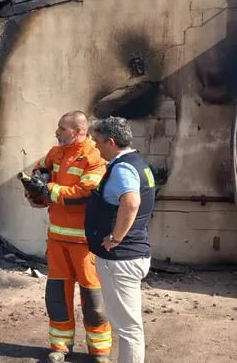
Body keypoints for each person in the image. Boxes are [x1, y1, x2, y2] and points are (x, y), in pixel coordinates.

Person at [21, 111, 112, 363]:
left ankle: (100, 350)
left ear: (78, 131)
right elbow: (39, 173)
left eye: (61, 128)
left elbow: (83, 194)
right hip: (57, 240)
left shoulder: (95, 157)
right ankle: (60, 347)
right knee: (57, 297)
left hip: (85, 244)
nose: (57, 132)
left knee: (94, 300)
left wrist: (47, 190)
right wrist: (34, 191)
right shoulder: (55, 153)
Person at [85, 117, 156, 363]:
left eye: (97, 141)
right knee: (128, 326)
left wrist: (116, 238)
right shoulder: (138, 163)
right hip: (132, 254)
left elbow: (132, 202)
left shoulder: (123, 168)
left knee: (127, 328)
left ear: (111, 142)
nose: (95, 146)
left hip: (120, 259)